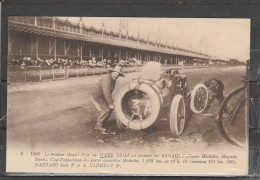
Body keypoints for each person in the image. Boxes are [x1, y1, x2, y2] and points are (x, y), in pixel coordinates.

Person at [91, 65, 125, 133]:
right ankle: (98, 125)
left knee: (111, 107)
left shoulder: (113, 80)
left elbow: (109, 92)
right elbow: (106, 92)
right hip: (97, 96)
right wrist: (110, 103)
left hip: (103, 96)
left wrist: (112, 102)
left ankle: (104, 122)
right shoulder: (107, 79)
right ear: (112, 72)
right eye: (115, 74)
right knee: (106, 109)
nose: (116, 76)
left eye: (118, 75)